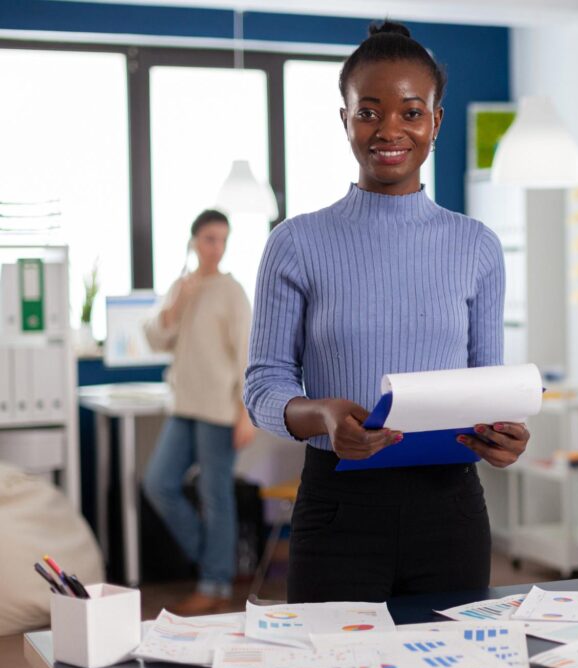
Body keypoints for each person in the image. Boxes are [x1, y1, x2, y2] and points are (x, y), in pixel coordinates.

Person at [243, 21, 529, 603]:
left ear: (436, 121)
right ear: (345, 120)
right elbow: (263, 387)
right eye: (369, 112)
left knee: (454, 653)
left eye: (411, 112)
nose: (390, 130)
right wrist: (322, 414)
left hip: (450, 511)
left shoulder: (476, 245)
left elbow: (485, 385)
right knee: (333, 654)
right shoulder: (295, 243)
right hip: (337, 512)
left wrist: (503, 436)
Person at [142, 209, 254, 615]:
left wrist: (245, 413)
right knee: (158, 483)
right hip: (184, 407)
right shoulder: (183, 286)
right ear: (194, 241)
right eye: (209, 239)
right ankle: (215, 563)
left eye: (222, 239)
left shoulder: (232, 291)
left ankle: (214, 582)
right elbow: (157, 339)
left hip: (219, 410)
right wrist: (178, 301)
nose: (216, 248)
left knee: (214, 494)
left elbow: (246, 355)